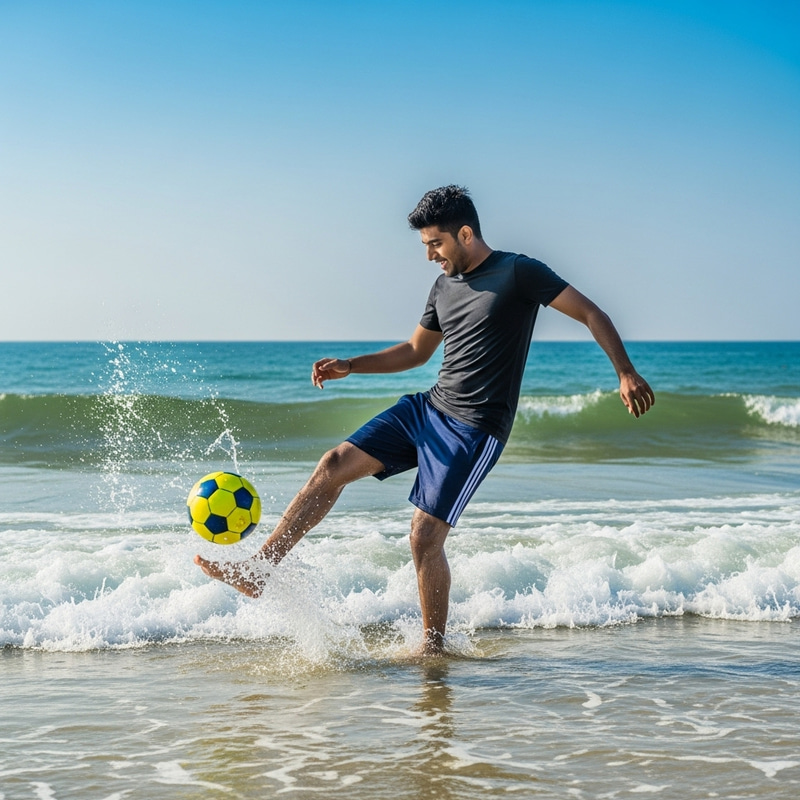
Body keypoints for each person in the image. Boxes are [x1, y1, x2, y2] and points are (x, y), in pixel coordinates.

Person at [195, 185, 655, 655]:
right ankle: (261, 567)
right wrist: (352, 365)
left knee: (423, 536)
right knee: (333, 464)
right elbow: (416, 351)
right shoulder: (443, 286)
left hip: (474, 428)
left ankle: (432, 650)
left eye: (435, 243)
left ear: (466, 233)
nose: (430, 255)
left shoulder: (520, 271)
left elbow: (590, 312)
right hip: (428, 408)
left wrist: (625, 371)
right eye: (425, 246)